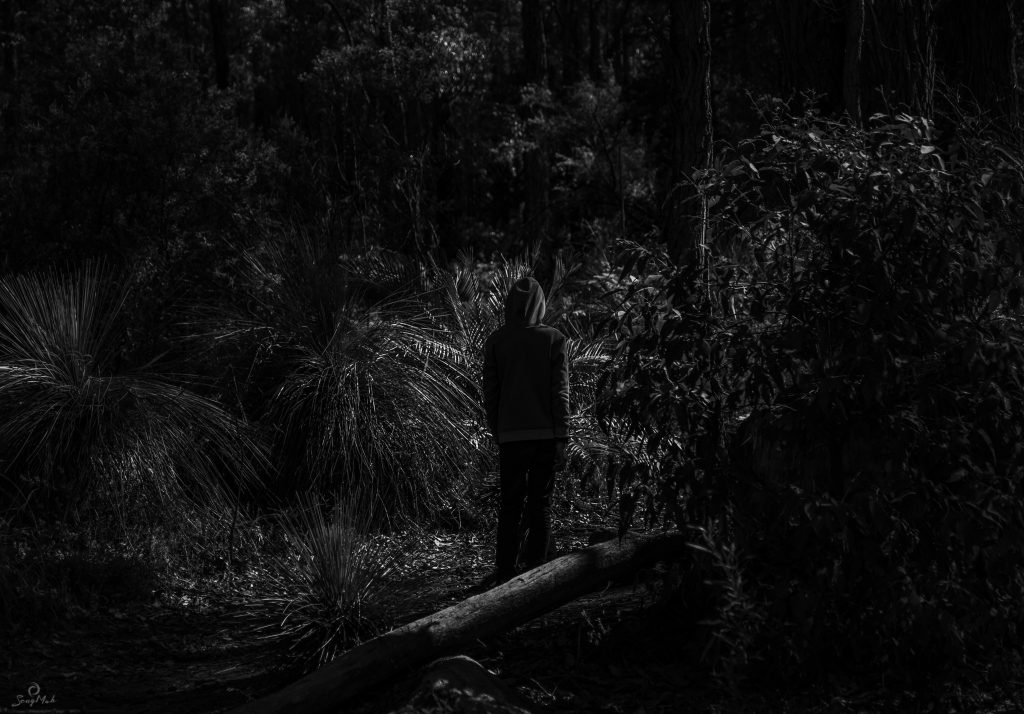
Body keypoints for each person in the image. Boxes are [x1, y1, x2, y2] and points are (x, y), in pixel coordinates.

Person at [483, 276, 570, 584]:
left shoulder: (496, 341)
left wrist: (498, 429)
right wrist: (562, 435)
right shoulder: (554, 339)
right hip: (546, 437)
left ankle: (504, 572)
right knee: (540, 506)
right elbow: (559, 392)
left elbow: (490, 393)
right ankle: (537, 576)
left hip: (511, 437)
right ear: (540, 304)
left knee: (510, 506)